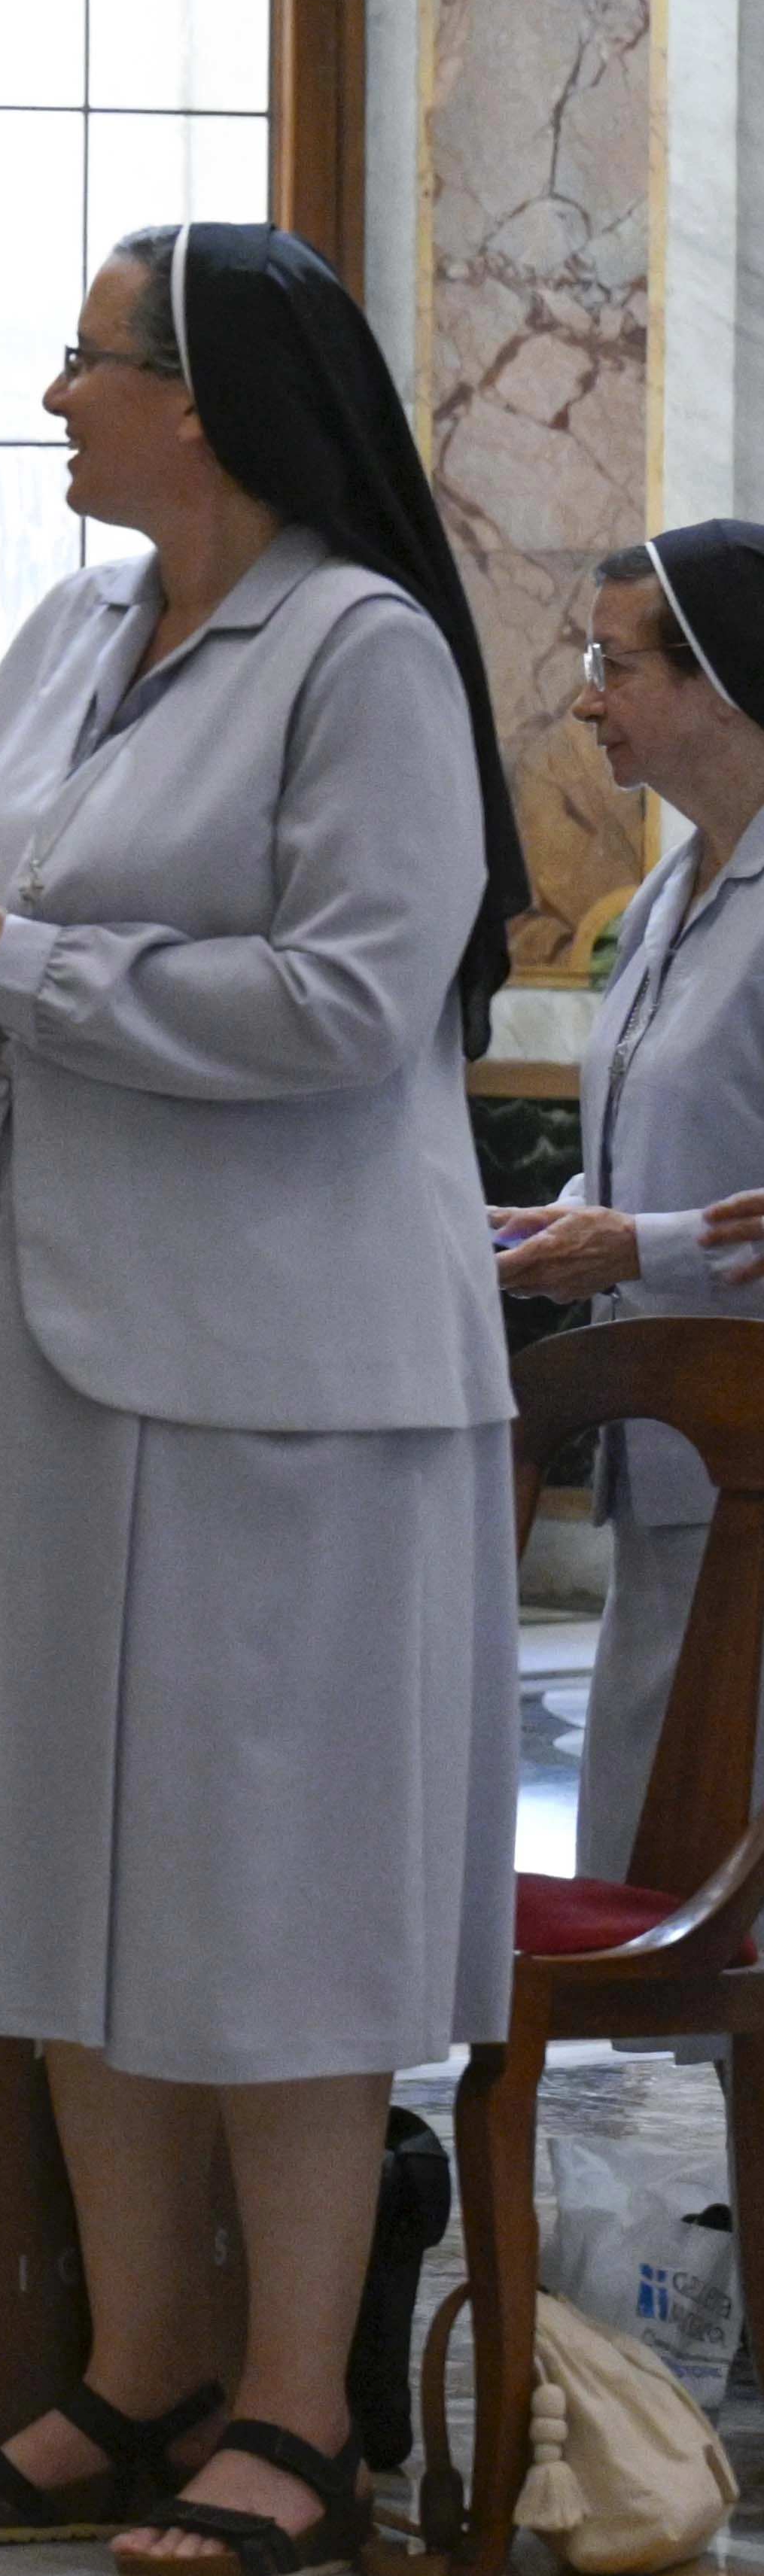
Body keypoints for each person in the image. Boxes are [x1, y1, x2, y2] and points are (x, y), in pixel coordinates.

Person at [0, 223, 521, 2576]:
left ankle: (293, 2402)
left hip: (275, 1376)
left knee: (261, 1902)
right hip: (34, 1340)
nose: (52, 396)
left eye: (87, 361)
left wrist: (15, 963)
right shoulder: (69, 637)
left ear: (205, 400)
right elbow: (20, 957)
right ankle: (139, 2355)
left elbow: (357, 1005)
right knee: (53, 1874)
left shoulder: (355, 648)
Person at [490, 525, 764, 1881]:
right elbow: (684, 1124)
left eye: (614, 661)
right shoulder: (668, 890)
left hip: (750, 1448)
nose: (587, 696)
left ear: (719, 675)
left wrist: (634, 1243)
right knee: (660, 1864)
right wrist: (566, 1221)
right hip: (676, 1458)